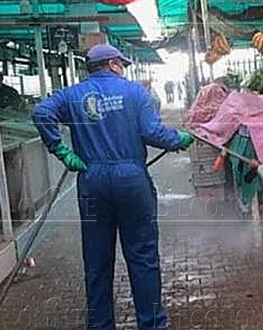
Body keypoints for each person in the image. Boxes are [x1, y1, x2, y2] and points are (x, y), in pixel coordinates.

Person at [32, 44, 194, 330]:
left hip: (92, 180)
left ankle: (100, 325)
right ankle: (153, 324)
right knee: (143, 258)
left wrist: (61, 150)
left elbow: (41, 113)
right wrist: (177, 139)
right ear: (112, 64)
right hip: (131, 179)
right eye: (122, 64)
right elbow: (152, 132)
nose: (123, 69)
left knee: (96, 260)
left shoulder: (72, 95)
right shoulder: (135, 92)